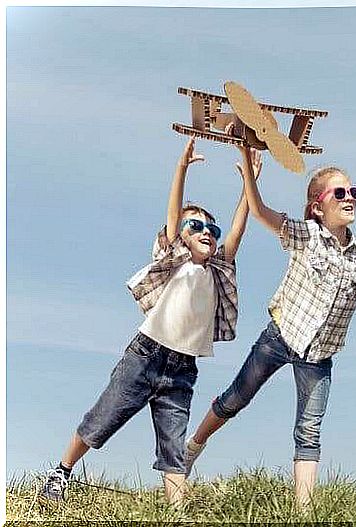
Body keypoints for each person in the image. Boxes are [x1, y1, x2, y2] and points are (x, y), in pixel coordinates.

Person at [184, 144, 356, 508]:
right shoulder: (305, 235)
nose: (350, 198)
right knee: (235, 399)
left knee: (309, 430)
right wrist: (251, 178)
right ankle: (193, 447)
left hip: (319, 356)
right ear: (319, 206)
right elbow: (259, 212)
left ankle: (303, 511)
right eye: (340, 193)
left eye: (354, 192)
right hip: (280, 336)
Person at [39, 137, 262, 505]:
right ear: (180, 237)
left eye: (211, 229)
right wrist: (182, 168)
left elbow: (237, 232)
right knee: (101, 421)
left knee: (174, 447)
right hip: (145, 357)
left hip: (182, 370)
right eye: (197, 226)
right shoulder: (175, 260)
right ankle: (61, 473)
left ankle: (177, 509)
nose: (206, 232)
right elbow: (173, 217)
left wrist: (248, 185)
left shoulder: (217, 270)